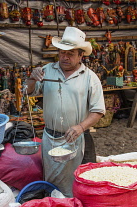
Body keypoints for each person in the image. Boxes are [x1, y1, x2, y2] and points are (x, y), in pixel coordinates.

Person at [26, 26, 106, 197]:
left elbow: (98, 111)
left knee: (80, 181)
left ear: (80, 56)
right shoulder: (47, 70)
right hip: (51, 137)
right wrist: (32, 78)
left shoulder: (90, 77)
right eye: (62, 52)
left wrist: (80, 127)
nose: (64, 57)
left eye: (70, 53)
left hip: (78, 136)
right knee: (53, 181)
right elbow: (28, 91)